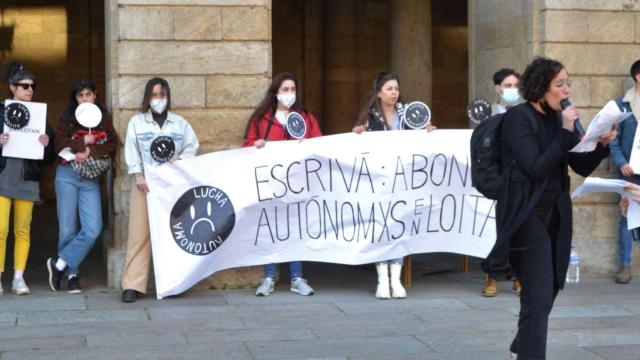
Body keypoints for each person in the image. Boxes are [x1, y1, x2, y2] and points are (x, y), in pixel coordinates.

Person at [496, 57, 616, 360]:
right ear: (541, 88)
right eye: (559, 84)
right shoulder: (518, 119)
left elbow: (579, 164)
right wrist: (564, 132)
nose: (567, 90)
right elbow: (536, 167)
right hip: (526, 214)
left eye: (568, 83)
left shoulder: (563, 117)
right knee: (536, 296)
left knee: (549, 288)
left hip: (557, 212)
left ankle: (520, 346)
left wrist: (601, 144)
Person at [352, 72, 435, 299]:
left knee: (398, 225)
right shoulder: (370, 116)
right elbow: (357, 145)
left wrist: (428, 131)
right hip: (378, 180)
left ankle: (396, 279)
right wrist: (358, 133)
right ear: (379, 92)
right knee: (381, 226)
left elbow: (420, 137)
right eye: (389, 89)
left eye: (396, 88)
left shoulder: (410, 113)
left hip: (403, 179)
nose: (394, 92)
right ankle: (382, 279)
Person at [121, 77, 199, 303]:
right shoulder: (137, 122)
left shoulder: (180, 124)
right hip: (144, 185)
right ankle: (132, 284)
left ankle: (174, 282)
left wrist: (180, 160)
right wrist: (138, 174)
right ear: (147, 98)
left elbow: (191, 146)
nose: (158, 100)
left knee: (174, 234)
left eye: (162, 95)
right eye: (154, 95)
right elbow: (132, 149)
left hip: (172, 187)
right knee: (139, 235)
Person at [244, 72, 322, 297]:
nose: (289, 94)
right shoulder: (261, 119)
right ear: (275, 93)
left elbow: (319, 143)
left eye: (292, 90)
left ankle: (297, 278)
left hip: (297, 182)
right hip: (270, 183)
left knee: (296, 228)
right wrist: (255, 145)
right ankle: (269, 277)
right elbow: (247, 145)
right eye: (285, 90)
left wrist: (307, 145)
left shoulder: (305, 117)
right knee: (271, 228)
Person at [46, 78, 118, 294]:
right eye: (80, 95)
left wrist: (90, 151)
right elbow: (58, 143)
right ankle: (72, 274)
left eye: (88, 94)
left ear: (95, 94)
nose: (84, 99)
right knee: (68, 228)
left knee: (93, 228)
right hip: (67, 174)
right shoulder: (68, 118)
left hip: (90, 179)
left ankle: (58, 264)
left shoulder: (104, 120)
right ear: (75, 98)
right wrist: (81, 143)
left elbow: (113, 144)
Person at [0, 61, 54, 295]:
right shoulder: (0, 111)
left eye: (32, 86)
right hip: (3, 177)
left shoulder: (40, 117)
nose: (30, 90)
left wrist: (46, 144)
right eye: (24, 86)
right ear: (12, 88)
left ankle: (18, 278)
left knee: (23, 230)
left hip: (27, 180)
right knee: (0, 230)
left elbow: (49, 157)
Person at [482, 68, 522, 297]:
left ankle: (518, 276)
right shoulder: (487, 115)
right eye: (508, 86)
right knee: (492, 229)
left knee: (518, 229)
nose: (512, 90)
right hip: (495, 180)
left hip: (518, 180)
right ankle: (491, 276)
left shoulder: (524, 114)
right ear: (498, 88)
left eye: (515, 85)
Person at [609, 59, 640, 284]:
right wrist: (621, 162)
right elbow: (613, 140)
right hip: (630, 172)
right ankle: (625, 266)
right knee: (626, 217)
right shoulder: (622, 105)